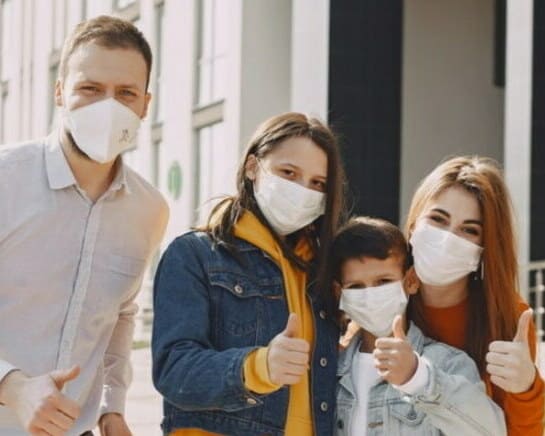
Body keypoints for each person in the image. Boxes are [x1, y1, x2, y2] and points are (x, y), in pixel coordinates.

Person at [0, 16, 169, 436]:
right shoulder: (5, 179)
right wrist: (13, 386)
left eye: (125, 93)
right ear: (60, 92)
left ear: (145, 105)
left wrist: (112, 406)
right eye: (90, 89)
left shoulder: (149, 210)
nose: (107, 107)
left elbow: (121, 314)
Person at [152, 112, 346, 436]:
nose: (302, 191)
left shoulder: (323, 270)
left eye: (317, 184)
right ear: (252, 167)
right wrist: (259, 367)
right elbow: (174, 370)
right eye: (288, 172)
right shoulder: (195, 255)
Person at [404, 156, 544, 435]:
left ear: (485, 247)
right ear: (414, 224)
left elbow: (520, 432)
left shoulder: (507, 317)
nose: (448, 237)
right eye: (438, 219)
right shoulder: (379, 293)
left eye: (469, 230)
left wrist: (527, 388)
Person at [331, 216, 506, 435]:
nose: (370, 295)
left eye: (384, 281)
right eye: (356, 286)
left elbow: (491, 431)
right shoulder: (329, 370)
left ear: (411, 281)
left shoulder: (448, 364)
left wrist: (418, 377)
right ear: (340, 293)